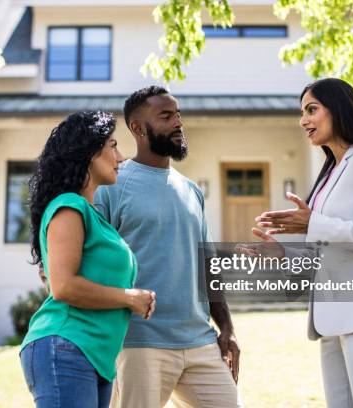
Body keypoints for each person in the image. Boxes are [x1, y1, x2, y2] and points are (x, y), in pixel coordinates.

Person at [252, 78, 353, 407]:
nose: (303, 120)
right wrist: (284, 253)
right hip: (332, 320)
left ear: (338, 109)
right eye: (302, 112)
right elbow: (331, 247)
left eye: (312, 109)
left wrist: (314, 221)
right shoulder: (329, 174)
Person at [94, 86, 242, 408]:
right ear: (136, 128)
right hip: (140, 342)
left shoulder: (191, 190)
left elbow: (208, 264)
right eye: (165, 116)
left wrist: (227, 329)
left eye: (177, 115)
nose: (177, 122)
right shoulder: (112, 187)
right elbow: (93, 261)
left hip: (200, 339)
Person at [20, 111, 156, 408]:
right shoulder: (69, 207)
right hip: (66, 345)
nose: (120, 156)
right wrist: (130, 297)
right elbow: (64, 287)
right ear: (89, 153)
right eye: (113, 145)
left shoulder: (93, 215)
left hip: (94, 356)